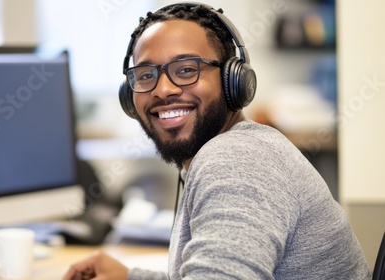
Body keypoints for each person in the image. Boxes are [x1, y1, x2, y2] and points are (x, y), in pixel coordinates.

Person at [63, 3, 371, 280]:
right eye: (145, 75)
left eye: (186, 70)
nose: (163, 90)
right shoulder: (230, 151)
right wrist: (131, 278)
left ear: (232, 81)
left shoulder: (236, 159)